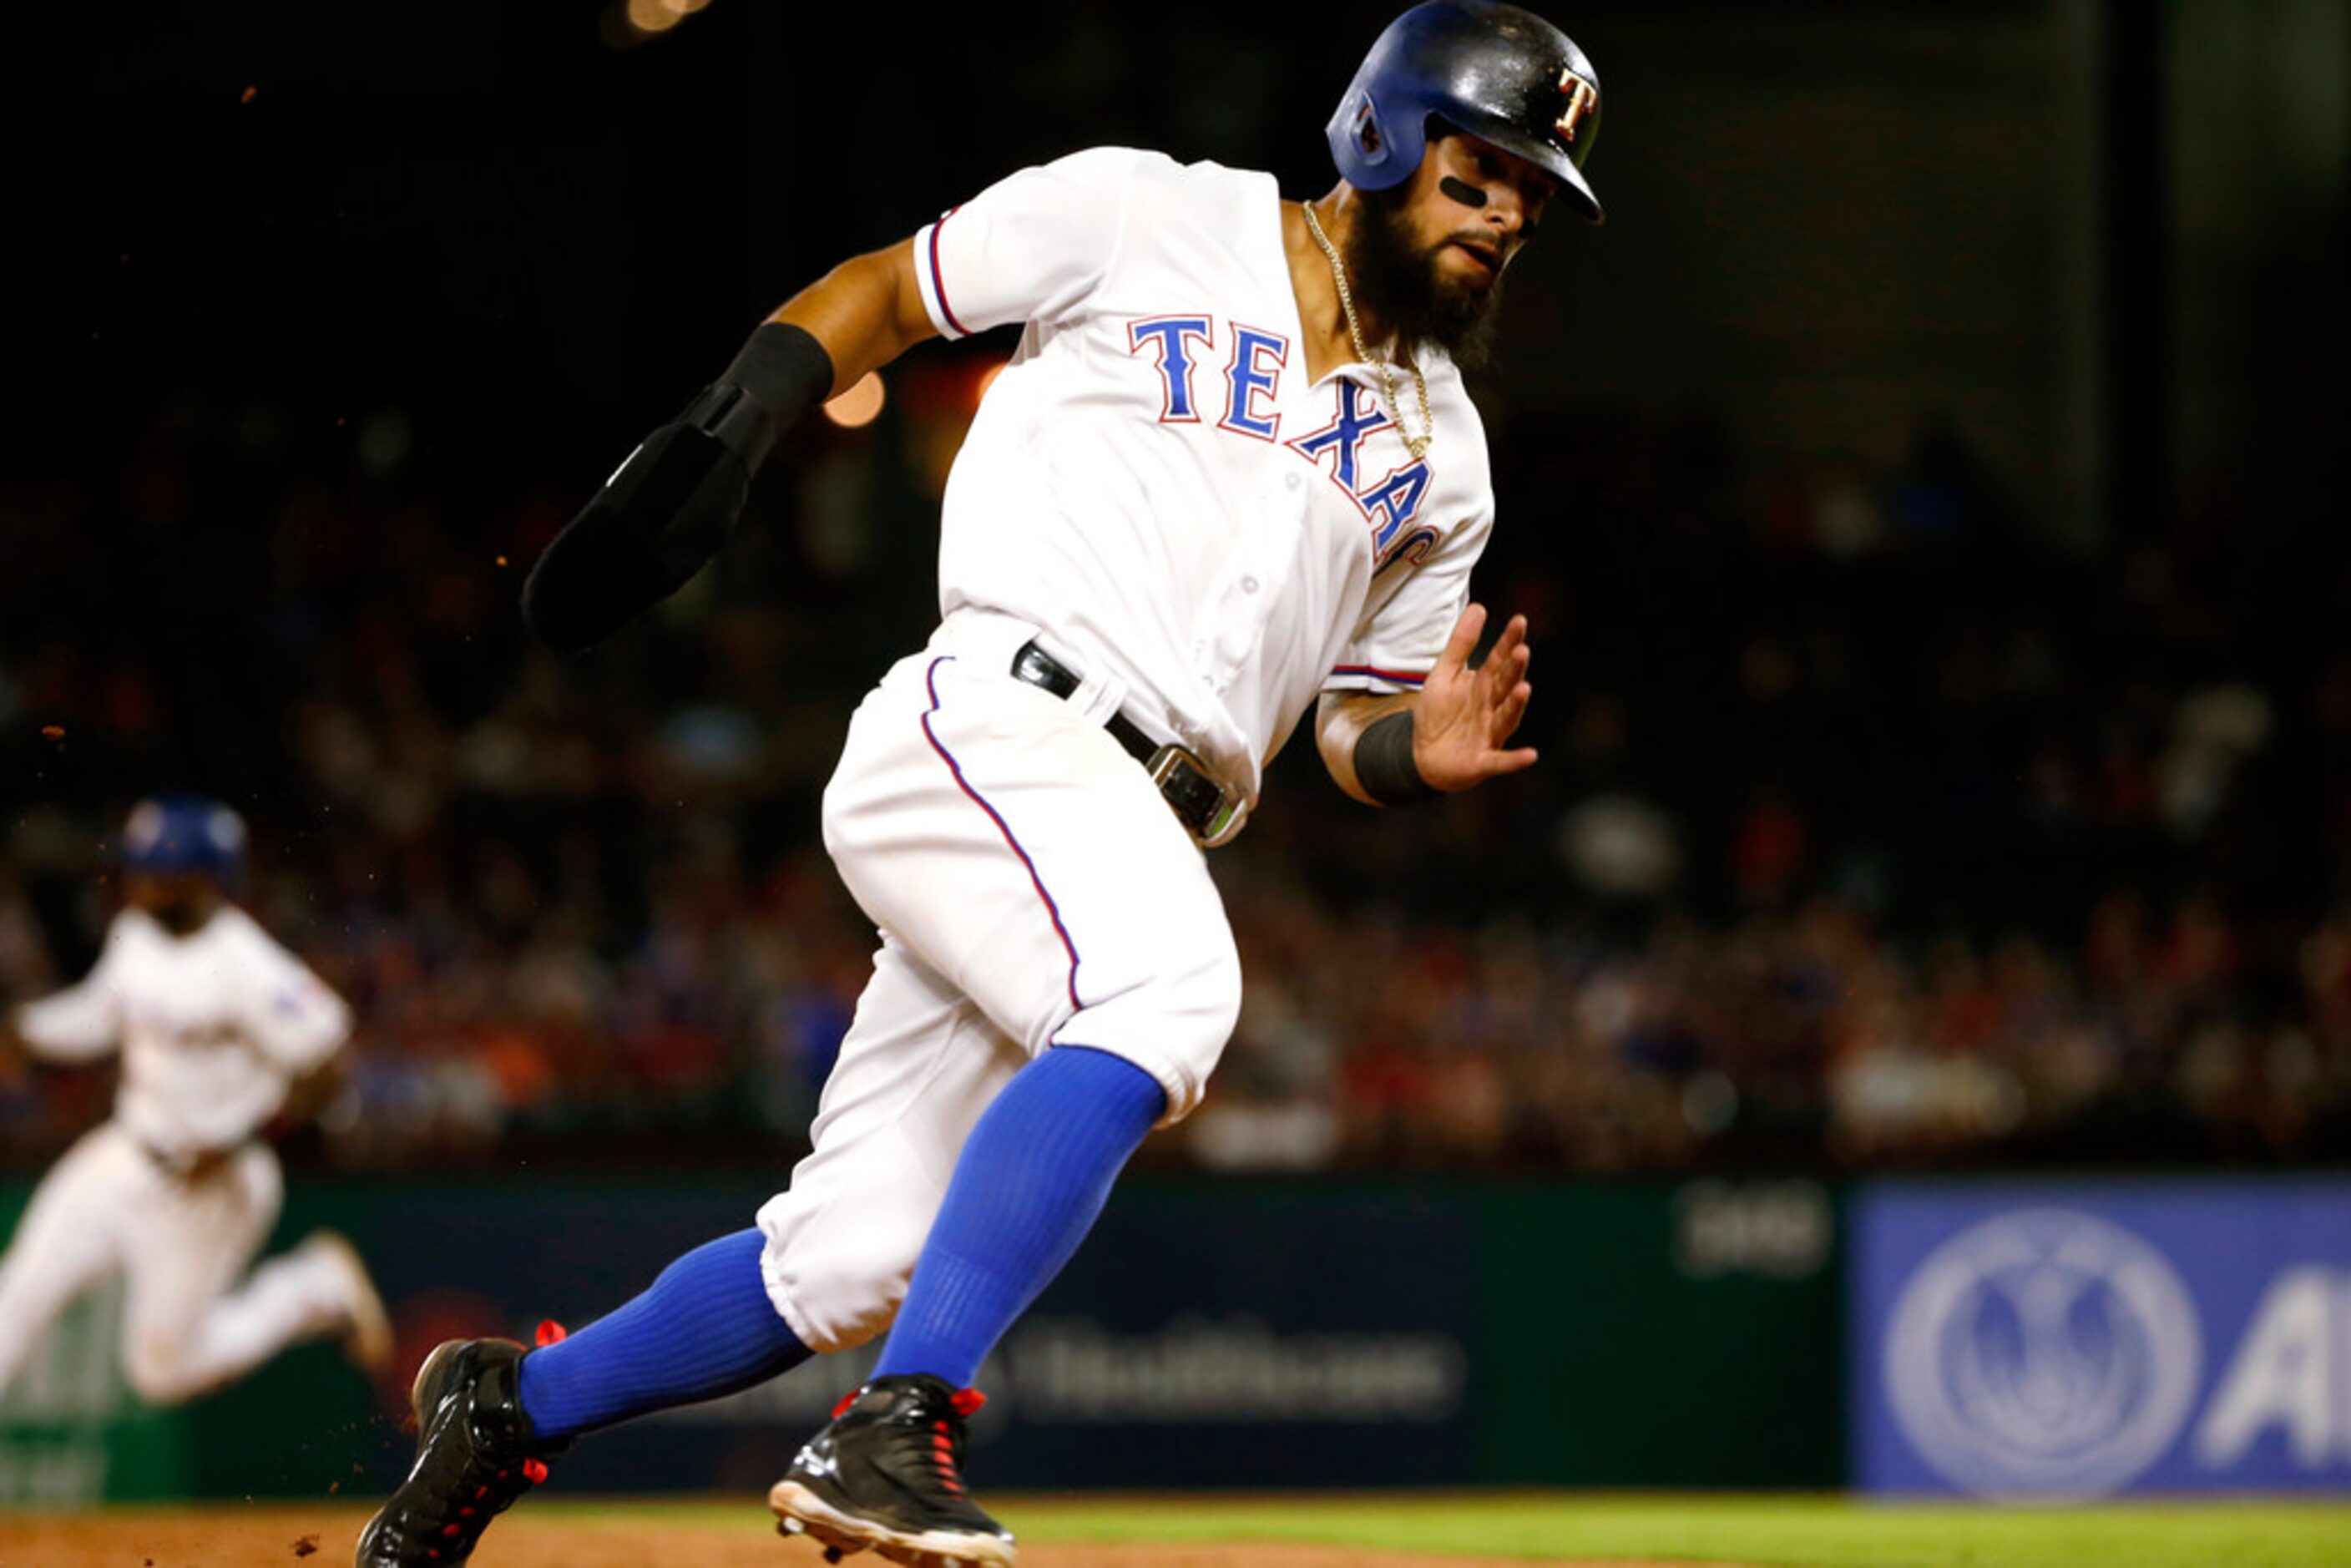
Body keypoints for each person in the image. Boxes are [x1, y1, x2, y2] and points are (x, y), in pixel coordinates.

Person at [355, 3, 1602, 1564]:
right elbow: (887, 290)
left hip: (1126, 823)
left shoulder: (1449, 453)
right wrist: (732, 430)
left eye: (1534, 196)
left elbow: (1345, 726)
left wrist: (1410, 755)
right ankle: (900, 1421)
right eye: (1479, 171)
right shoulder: (1147, 210)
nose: (1505, 217)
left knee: (850, 1262)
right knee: (1163, 994)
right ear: (1381, 132)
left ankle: (508, 1408)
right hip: (996, 721)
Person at [0, 794, 391, 1409]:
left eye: (160, 869)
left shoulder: (248, 964)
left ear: (206, 877)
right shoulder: (136, 932)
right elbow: (101, 1015)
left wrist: (244, 1138)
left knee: (161, 1374)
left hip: (206, 1183)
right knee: (17, 1295)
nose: (141, 880)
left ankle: (313, 1291)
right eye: (140, 865)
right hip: (125, 1153)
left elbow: (330, 1066)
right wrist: (28, 1030)